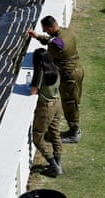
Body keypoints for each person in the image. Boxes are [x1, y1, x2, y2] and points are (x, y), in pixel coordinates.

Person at [24, 15, 83, 143]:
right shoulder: (66, 32)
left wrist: (40, 37)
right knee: (73, 101)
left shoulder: (59, 42)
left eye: (45, 29)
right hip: (76, 70)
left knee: (69, 103)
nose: (45, 31)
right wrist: (38, 36)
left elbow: (54, 42)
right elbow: (52, 40)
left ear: (51, 27)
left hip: (69, 76)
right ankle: (74, 128)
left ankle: (74, 133)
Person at [30, 48, 64, 177]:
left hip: (46, 108)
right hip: (57, 103)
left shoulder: (41, 73)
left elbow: (33, 91)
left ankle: (54, 166)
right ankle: (58, 162)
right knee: (55, 133)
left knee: (37, 137)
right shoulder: (55, 68)